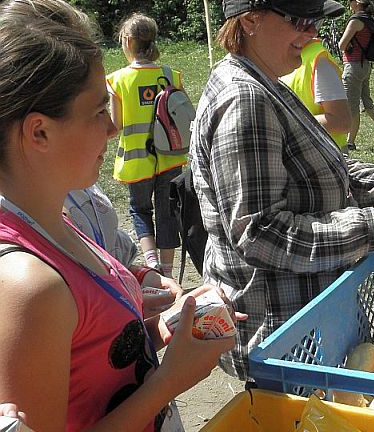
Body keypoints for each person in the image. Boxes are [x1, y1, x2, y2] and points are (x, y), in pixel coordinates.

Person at [0, 1, 243, 431]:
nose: (112, 129)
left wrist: (164, 325)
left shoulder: (53, 218)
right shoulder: (28, 284)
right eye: (98, 112)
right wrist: (170, 380)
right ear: (39, 132)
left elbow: (86, 361)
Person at [191, 0, 374, 381]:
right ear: (249, 21)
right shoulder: (245, 100)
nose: (312, 32)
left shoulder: (265, 82)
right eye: (299, 20)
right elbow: (260, 233)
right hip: (282, 339)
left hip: (306, 325)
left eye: (314, 21)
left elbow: (322, 171)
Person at [107, 13, 187, 277]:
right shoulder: (172, 76)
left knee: (140, 210)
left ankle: (151, 263)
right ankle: (168, 271)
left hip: (137, 161)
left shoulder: (117, 81)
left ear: (128, 41)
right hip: (171, 158)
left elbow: (115, 126)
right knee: (167, 213)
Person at [64, 185, 184, 317]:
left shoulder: (85, 184)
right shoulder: (41, 209)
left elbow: (111, 257)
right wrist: (125, 304)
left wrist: (147, 277)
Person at [280, 26, 353, 152]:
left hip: (325, 157)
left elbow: (342, 121)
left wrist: (286, 124)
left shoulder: (319, 61)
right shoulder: (281, 57)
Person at [338, 0, 374, 150]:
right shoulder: (371, 20)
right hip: (366, 66)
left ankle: (349, 142)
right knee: (367, 104)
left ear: (357, 3)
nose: (349, 3)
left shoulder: (356, 20)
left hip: (353, 67)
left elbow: (341, 45)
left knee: (352, 108)